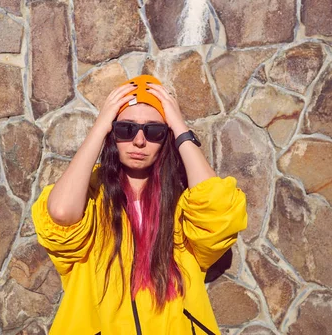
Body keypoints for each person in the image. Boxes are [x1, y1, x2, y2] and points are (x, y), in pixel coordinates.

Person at [31, 74, 247, 334]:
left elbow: (219, 212)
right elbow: (62, 212)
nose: (139, 141)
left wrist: (179, 127)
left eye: (155, 131)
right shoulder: (90, 198)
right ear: (112, 134)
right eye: (125, 129)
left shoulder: (186, 207)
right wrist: (100, 127)